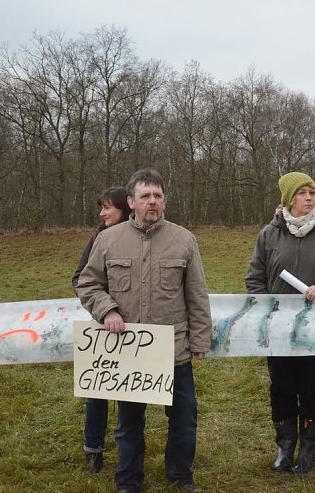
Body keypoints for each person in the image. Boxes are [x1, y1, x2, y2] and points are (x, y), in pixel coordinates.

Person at [76, 169, 212, 493]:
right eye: (145, 196)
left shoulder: (184, 240)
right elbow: (88, 283)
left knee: (184, 419)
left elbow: (197, 295)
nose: (152, 201)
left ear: (164, 201)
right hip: (128, 352)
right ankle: (128, 480)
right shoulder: (108, 240)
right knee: (128, 424)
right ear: (132, 202)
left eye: (158, 196)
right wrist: (107, 309)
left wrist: (200, 340)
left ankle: (181, 476)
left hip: (174, 349)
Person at [245, 171, 315, 474]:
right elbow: (254, 278)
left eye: (312, 193)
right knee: (281, 387)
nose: (309, 198)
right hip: (278, 330)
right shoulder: (268, 235)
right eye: (302, 193)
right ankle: (285, 447)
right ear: (288, 199)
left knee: (311, 387)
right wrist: (268, 308)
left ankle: (308, 450)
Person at [72, 186, 132, 473]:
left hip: (137, 330)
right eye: (102, 207)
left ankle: (129, 455)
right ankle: (92, 453)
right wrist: (106, 307)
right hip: (102, 329)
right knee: (97, 392)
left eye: (108, 207)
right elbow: (79, 277)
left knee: (131, 395)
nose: (102, 213)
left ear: (124, 208)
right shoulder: (98, 238)